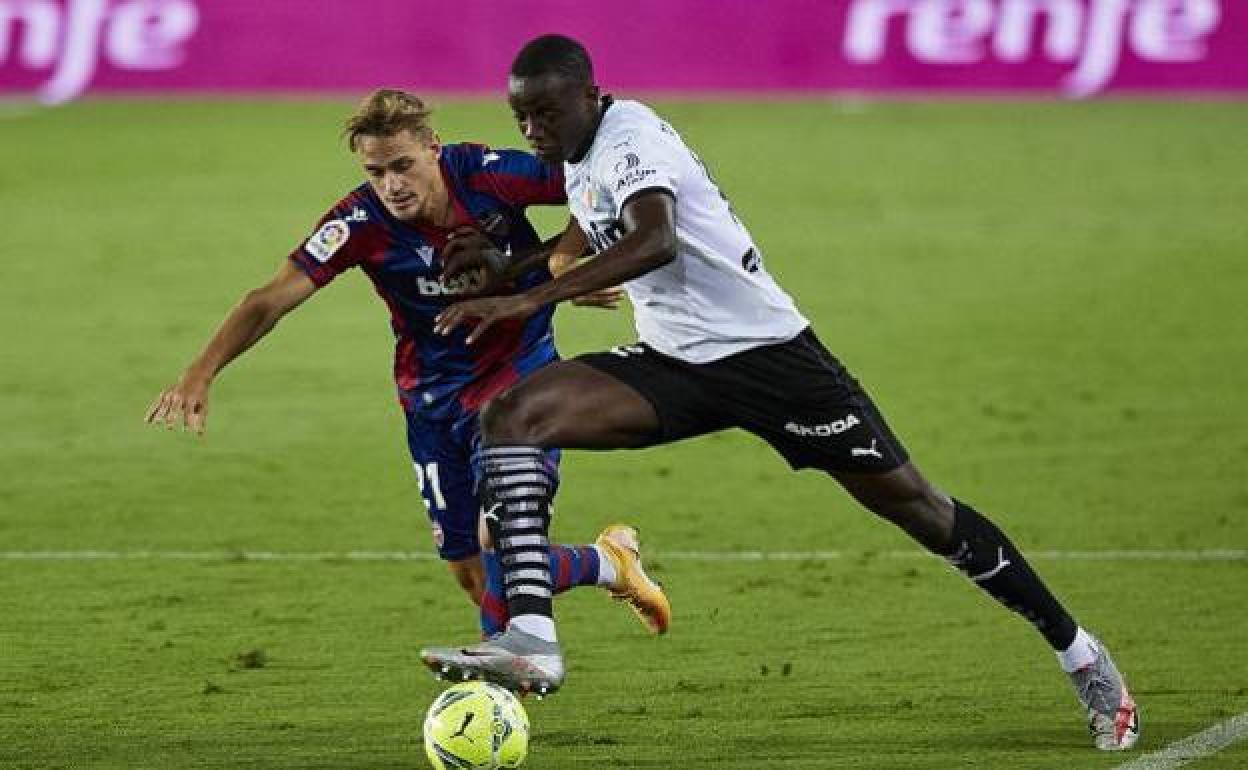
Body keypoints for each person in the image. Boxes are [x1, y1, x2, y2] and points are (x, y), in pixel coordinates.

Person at [420, 36, 1139, 751]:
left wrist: (527, 299)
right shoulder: (583, 154)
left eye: (546, 113)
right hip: (676, 365)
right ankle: (533, 639)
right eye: (522, 118)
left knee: (922, 509)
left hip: (772, 361)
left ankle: (1081, 655)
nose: (533, 130)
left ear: (590, 94)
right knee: (513, 416)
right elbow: (592, 221)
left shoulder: (631, 137)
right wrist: (514, 264)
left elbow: (653, 239)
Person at [144, 88, 671, 640]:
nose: (392, 184)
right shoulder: (360, 222)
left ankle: (497, 691)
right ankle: (607, 563)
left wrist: (561, 259)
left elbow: (593, 183)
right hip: (432, 399)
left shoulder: (488, 174)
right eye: (376, 171)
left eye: (402, 166)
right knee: (471, 572)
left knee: (503, 543)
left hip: (521, 377)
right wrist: (201, 372)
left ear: (433, 150)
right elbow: (269, 299)